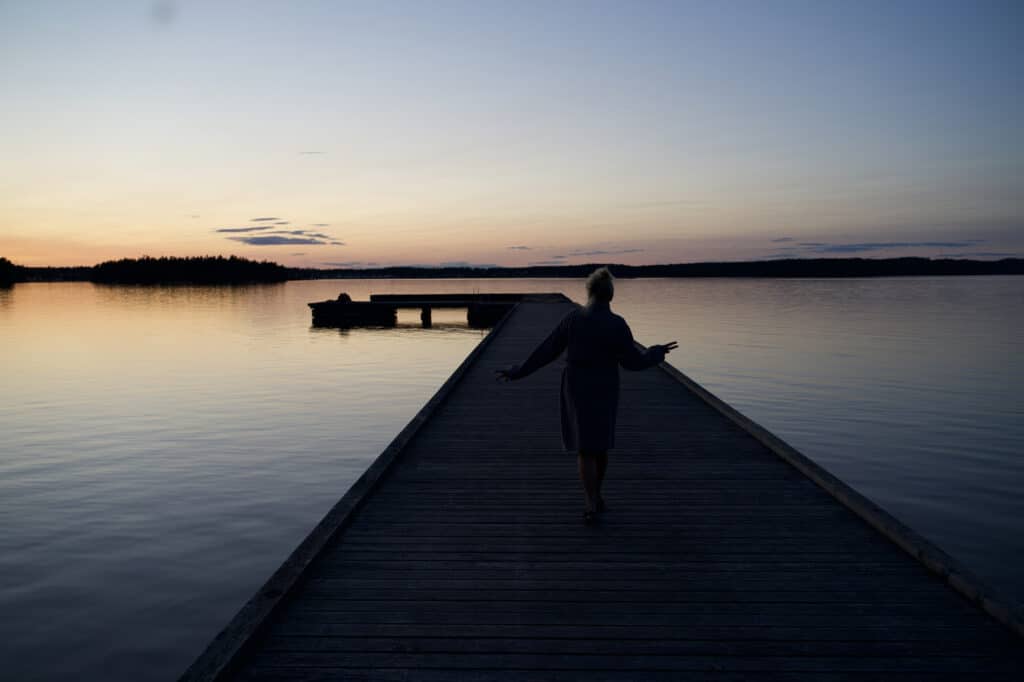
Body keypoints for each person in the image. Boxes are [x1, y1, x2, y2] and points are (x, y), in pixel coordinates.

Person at [496, 267, 677, 524]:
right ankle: (596, 497)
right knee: (600, 445)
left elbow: (547, 351)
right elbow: (632, 362)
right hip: (605, 386)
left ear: (589, 292)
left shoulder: (573, 319)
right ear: (610, 295)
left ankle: (591, 501)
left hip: (577, 386)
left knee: (585, 447)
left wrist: (519, 371)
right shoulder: (617, 324)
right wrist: (655, 354)